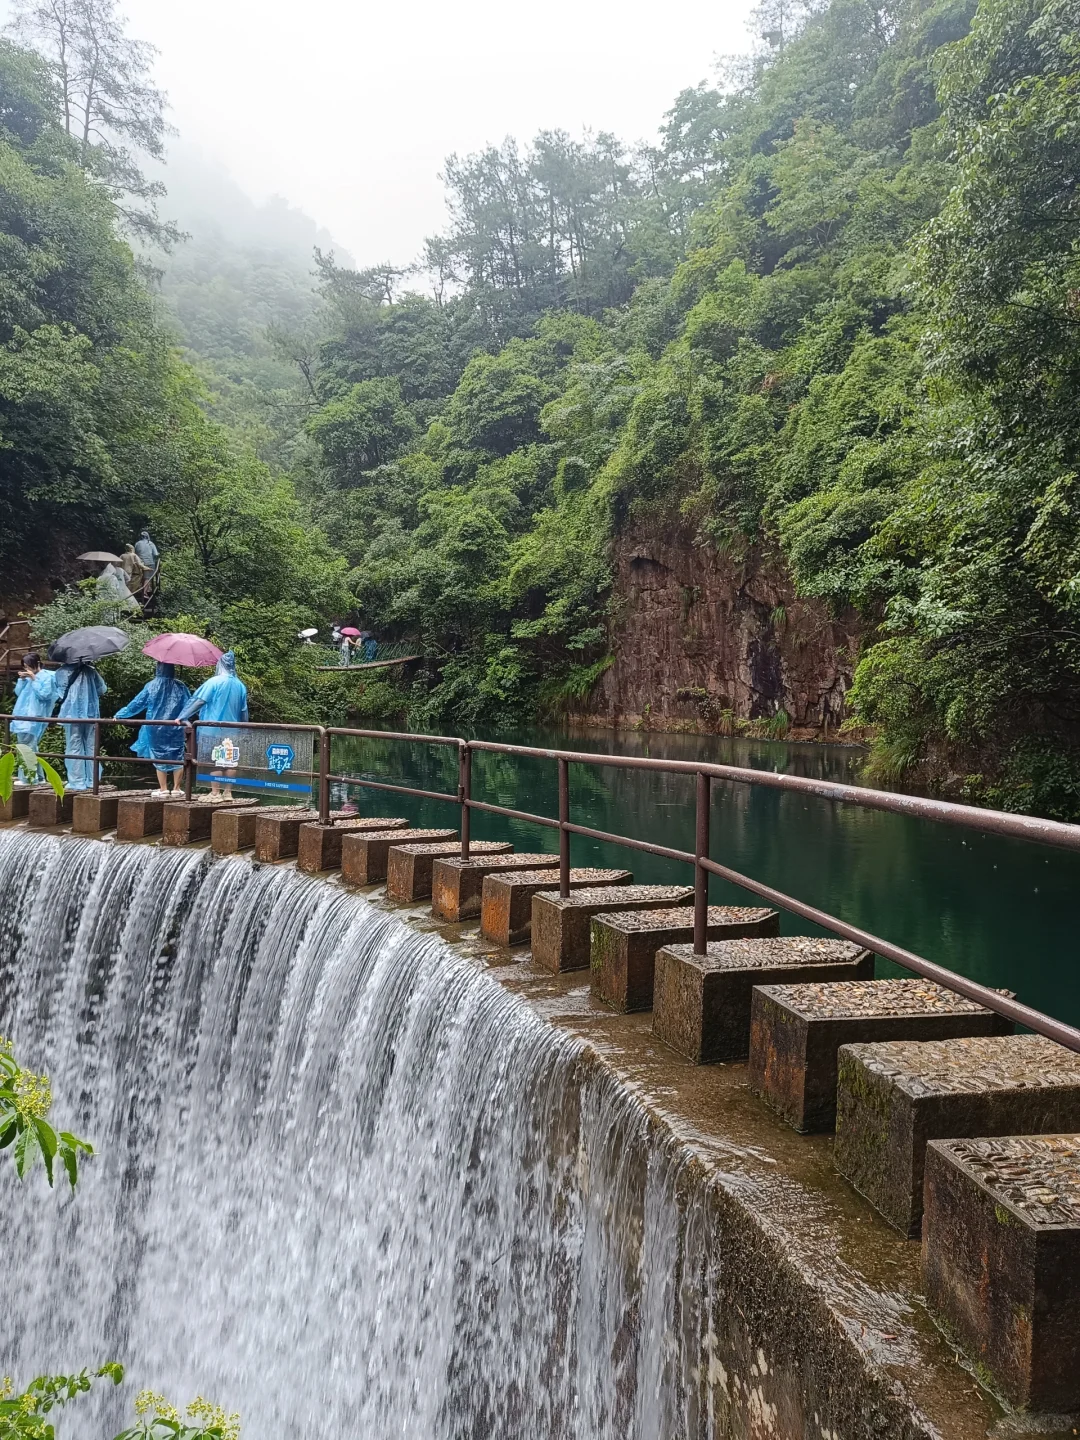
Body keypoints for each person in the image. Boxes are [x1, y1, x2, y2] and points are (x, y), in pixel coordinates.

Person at [113, 662, 191, 795]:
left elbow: (136, 704)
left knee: (158, 756)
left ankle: (163, 789)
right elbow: (190, 704)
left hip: (155, 727)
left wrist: (120, 714)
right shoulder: (180, 686)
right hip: (176, 726)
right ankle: (177, 789)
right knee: (177, 756)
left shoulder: (152, 685)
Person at [180, 651, 249, 800]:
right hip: (233, 731)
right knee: (230, 761)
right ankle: (228, 792)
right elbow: (244, 711)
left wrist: (182, 716)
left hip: (211, 730)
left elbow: (198, 701)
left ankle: (215, 792)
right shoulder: (240, 685)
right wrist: (245, 727)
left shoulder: (214, 682)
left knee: (213, 761)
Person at [54, 660, 107, 792]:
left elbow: (60, 694)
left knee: (73, 746)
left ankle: (76, 782)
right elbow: (102, 689)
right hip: (91, 713)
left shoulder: (61, 672)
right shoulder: (91, 670)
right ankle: (92, 780)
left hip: (71, 714)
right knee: (91, 746)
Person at [11, 653, 58, 782]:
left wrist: (34, 679)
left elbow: (45, 695)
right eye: (25, 667)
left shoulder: (48, 676)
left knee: (26, 746)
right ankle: (39, 777)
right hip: (22, 714)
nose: (27, 669)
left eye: (29, 666)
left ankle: (28, 779)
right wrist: (22, 680)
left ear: (37, 664)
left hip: (36, 715)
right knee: (30, 746)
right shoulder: (29, 676)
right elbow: (19, 693)